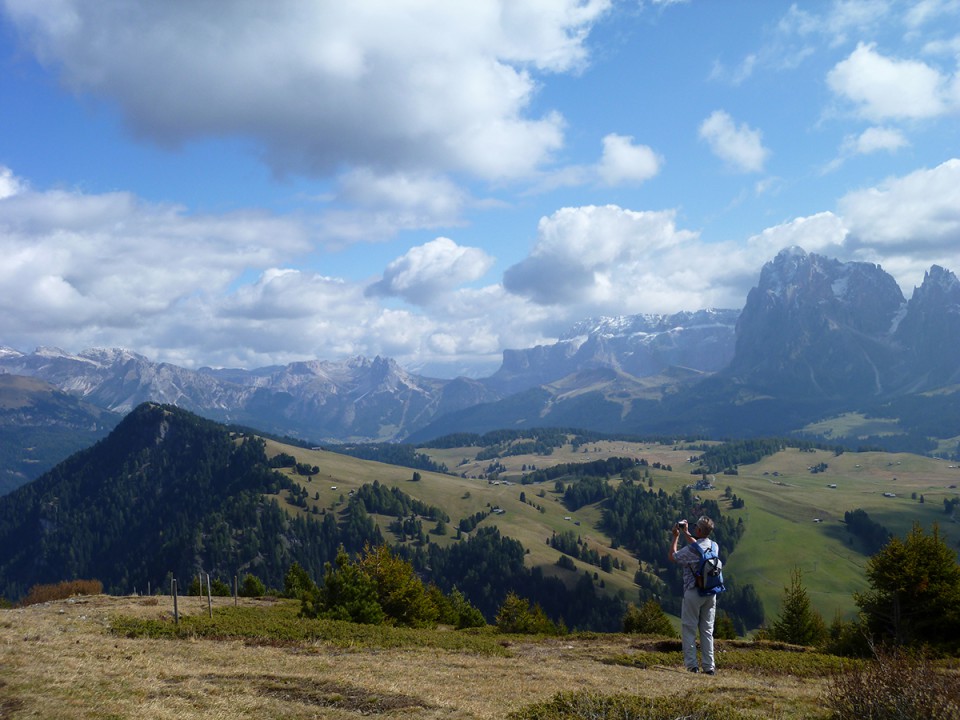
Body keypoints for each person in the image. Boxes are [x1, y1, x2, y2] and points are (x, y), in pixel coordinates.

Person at [668, 515, 719, 674]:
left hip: (693, 591)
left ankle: (692, 666)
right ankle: (709, 667)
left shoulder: (690, 550)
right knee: (707, 630)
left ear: (698, 529)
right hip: (711, 592)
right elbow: (699, 548)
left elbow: (673, 557)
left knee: (689, 628)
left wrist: (676, 537)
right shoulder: (714, 546)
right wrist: (687, 533)